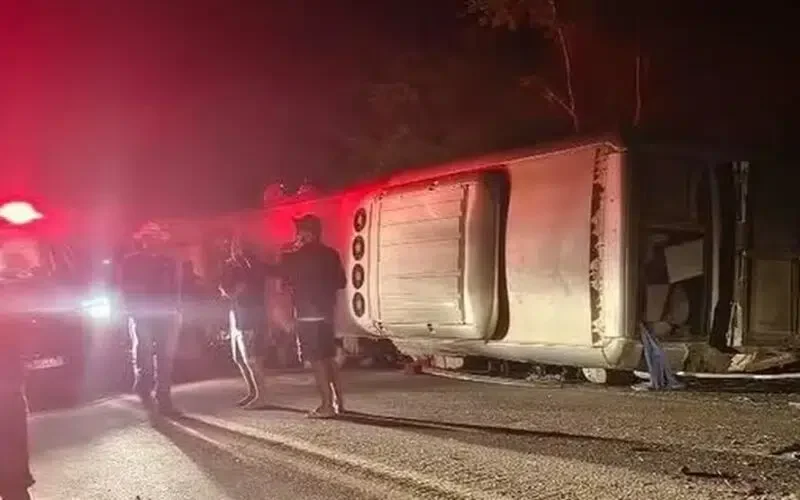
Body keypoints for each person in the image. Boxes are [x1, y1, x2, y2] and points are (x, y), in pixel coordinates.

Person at [271, 214, 346, 419]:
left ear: (306, 233)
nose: (296, 235)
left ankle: (326, 405)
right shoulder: (331, 253)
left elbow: (282, 280)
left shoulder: (295, 255)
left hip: (307, 313)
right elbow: (342, 282)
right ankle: (339, 402)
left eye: (299, 231)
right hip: (327, 312)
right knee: (328, 357)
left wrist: (285, 252)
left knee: (316, 359)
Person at [118, 222, 182, 415]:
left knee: (165, 357)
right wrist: (131, 309)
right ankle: (144, 383)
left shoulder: (169, 261)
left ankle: (163, 397)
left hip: (166, 313)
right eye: (148, 238)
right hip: (143, 312)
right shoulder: (131, 261)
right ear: (143, 241)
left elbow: (176, 287)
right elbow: (125, 287)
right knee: (144, 352)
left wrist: (176, 309)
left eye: (155, 238)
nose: (151, 241)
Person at [219, 236, 269, 409]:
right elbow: (225, 287)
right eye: (234, 246)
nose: (235, 249)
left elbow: (245, 288)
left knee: (252, 357)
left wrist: (232, 290)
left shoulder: (252, 265)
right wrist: (228, 290)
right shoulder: (231, 265)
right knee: (239, 358)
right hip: (237, 313)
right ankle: (253, 392)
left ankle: (261, 395)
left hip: (251, 314)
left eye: (239, 246)